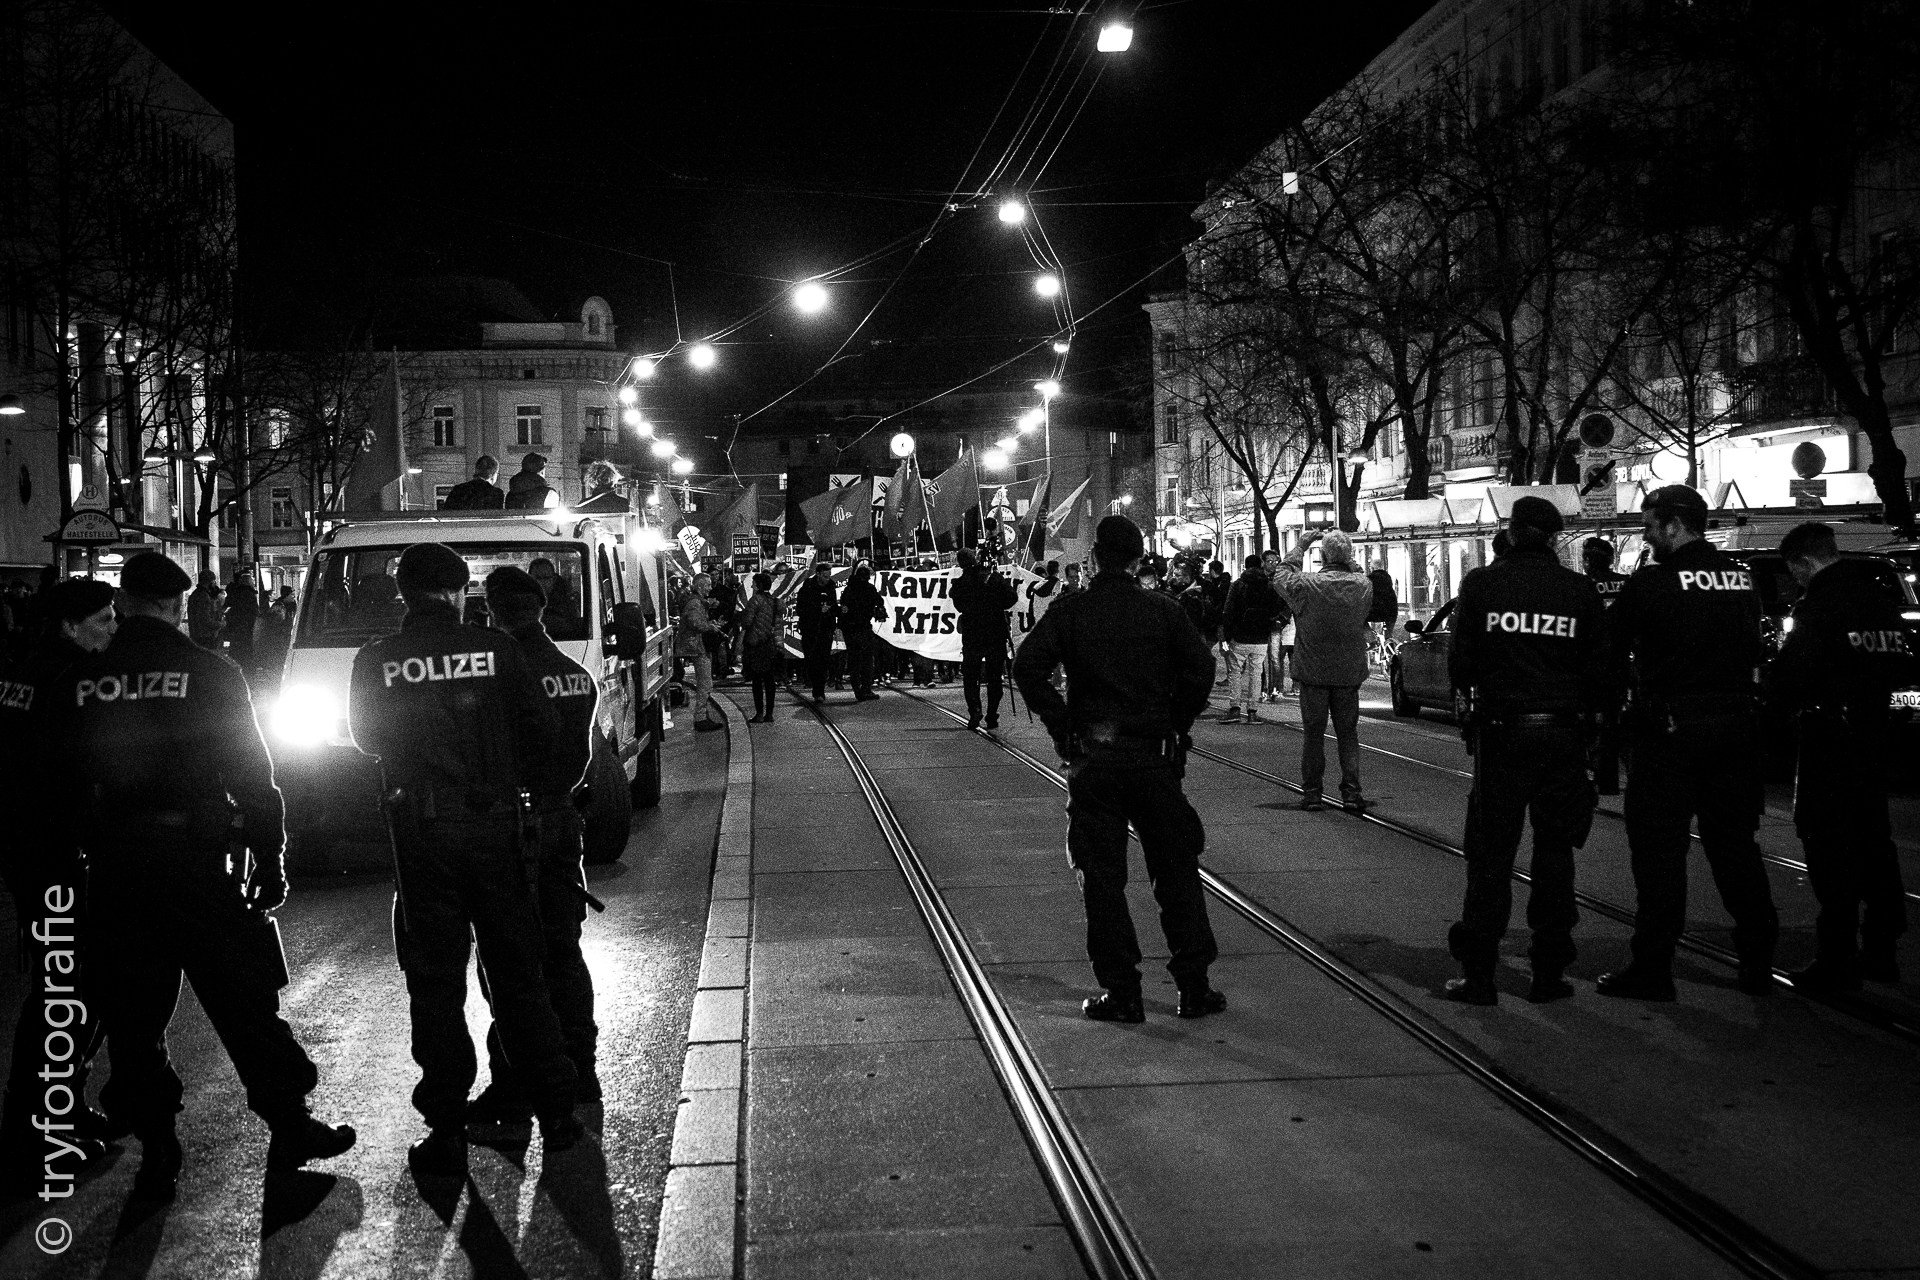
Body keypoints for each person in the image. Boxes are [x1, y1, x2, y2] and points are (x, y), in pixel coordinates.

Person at [47, 553, 355, 1199]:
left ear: (124, 602)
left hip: (117, 870)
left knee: (134, 1017)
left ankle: (158, 1145)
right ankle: (290, 1124)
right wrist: (270, 858)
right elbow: (252, 774)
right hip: (195, 865)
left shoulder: (82, 679)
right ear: (177, 605)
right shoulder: (209, 672)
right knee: (244, 1001)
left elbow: (58, 784)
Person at [348, 542, 581, 1177]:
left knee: (436, 985)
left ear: (403, 593)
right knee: (519, 975)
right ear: (459, 592)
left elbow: (366, 739)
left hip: (423, 839)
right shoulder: (499, 650)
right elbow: (543, 731)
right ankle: (557, 1115)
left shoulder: (377, 659)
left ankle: (446, 1127)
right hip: (498, 833)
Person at [1012, 515, 1223, 1023]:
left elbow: (1027, 667)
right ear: (1137, 559)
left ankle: (1123, 991)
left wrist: (1062, 726)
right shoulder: (1164, 610)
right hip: (1153, 755)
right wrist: (1176, 722)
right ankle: (1193, 985)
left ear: (1094, 558)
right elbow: (1201, 669)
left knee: (1102, 877)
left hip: (1096, 759)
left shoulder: (1072, 611)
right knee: (1175, 868)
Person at [1599, 485, 1778, 1001]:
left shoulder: (1653, 583)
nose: (1646, 537)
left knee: (1659, 854)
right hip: (1735, 729)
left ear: (1675, 525)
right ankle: (1758, 962)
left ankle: (1653, 968)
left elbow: (1609, 649)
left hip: (1670, 733)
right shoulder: (1741, 579)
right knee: (1736, 848)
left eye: (1651, 527)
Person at [1444, 497, 1607, 1006]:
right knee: (1555, 853)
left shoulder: (1482, 585)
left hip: (1503, 734)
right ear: (1553, 537)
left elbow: (1461, 664)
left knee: (1490, 856)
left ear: (1512, 533)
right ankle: (1548, 971)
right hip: (1562, 735)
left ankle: (1480, 975)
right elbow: (1601, 670)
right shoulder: (1578, 591)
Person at [465, 566, 602, 1144]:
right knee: (563, 949)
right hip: (561, 819)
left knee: (512, 963)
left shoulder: (498, 676)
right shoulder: (576, 676)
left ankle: (514, 1082)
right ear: (541, 610)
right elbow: (580, 760)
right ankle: (582, 1070)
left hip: (511, 826)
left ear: (492, 611)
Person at [0, 579, 118, 1192]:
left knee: (63, 983)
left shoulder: (22, 672)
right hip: (57, 857)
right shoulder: (71, 681)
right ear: (71, 626)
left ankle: (58, 1111)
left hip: (28, 853)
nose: (113, 628)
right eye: (103, 619)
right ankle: (38, 1132)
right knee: (66, 990)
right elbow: (81, 771)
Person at [1767, 523, 1913, 988]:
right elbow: (1901, 664)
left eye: (1795, 572)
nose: (1795, 581)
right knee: (1875, 842)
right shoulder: (1880, 601)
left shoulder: (1819, 606)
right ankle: (1882, 947)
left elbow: (1793, 675)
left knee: (1828, 846)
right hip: (1876, 736)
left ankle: (1837, 955)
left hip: (1829, 740)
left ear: (1804, 562)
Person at [1273, 530, 1375, 812]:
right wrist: (1348, 560)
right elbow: (1359, 574)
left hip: (1313, 671)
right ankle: (1351, 793)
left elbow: (1281, 575)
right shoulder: (1363, 585)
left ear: (1323, 555)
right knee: (1348, 734)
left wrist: (1301, 545)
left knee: (1314, 734)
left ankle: (1313, 793)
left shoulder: (1307, 585)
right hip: (1348, 672)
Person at [1583, 537, 1630, 795]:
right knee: (1620, 722)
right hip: (1624, 663)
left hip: (1595, 665)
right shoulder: (1626, 583)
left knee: (1595, 724)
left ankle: (1601, 775)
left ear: (1588, 561)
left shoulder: (1585, 586)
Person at [951, 547, 1016, 731]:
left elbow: (958, 605)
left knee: (971, 676)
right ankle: (992, 714)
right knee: (995, 677)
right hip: (995, 633)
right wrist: (996, 604)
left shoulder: (961, 582)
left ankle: (975, 710)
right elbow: (1012, 597)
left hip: (973, 635)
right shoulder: (993, 577)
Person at [1219, 554, 1282, 724]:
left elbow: (1228, 611)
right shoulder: (1269, 585)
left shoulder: (1238, 584)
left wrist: (1226, 636)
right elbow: (1277, 608)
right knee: (1256, 673)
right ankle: (1252, 712)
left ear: (1245, 567)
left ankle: (1235, 709)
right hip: (1261, 637)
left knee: (1235, 672)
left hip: (1240, 636)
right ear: (1260, 565)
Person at [677, 572, 724, 731]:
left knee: (705, 682)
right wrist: (710, 626)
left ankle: (703, 716)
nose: (710, 588)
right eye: (708, 585)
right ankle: (701, 718)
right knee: (705, 683)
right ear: (699, 586)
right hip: (698, 646)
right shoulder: (695, 603)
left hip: (699, 646)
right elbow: (695, 623)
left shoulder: (696, 602)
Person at [839, 562, 887, 702]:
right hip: (863, 627)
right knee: (866, 659)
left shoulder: (849, 588)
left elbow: (843, 604)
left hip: (849, 628)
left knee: (854, 659)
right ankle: (866, 688)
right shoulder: (869, 588)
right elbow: (879, 601)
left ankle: (857, 688)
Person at [738, 571, 783, 721]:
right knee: (770, 680)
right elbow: (778, 626)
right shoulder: (776, 602)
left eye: (754, 584)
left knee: (757, 680)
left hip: (756, 644)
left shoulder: (755, 600)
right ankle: (769, 713)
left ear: (758, 586)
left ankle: (758, 714)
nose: (752, 586)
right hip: (770, 645)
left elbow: (746, 622)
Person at [796, 561, 839, 705]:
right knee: (811, 658)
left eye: (829, 576)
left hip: (826, 628)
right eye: (825, 576)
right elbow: (801, 607)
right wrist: (817, 610)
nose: (827, 579)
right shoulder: (808, 586)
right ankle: (813, 681)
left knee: (823, 659)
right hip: (810, 629)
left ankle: (819, 691)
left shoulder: (831, 586)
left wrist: (836, 611)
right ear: (818, 574)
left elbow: (833, 604)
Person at [225, 567, 262, 673]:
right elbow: (254, 611)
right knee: (247, 652)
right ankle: (249, 673)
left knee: (236, 652)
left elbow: (229, 608)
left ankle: (236, 672)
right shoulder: (250, 594)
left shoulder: (235, 593)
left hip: (236, 629)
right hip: (248, 628)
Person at [1582, 537, 1629, 607]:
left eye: (1586, 559)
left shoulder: (1581, 585)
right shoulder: (1628, 582)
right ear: (1610, 559)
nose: (1584, 562)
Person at [187, 569, 224, 649]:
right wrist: (221, 624)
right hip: (206, 638)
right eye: (214, 581)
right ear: (209, 582)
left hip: (195, 636)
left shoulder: (194, 594)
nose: (214, 584)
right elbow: (205, 620)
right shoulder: (204, 596)